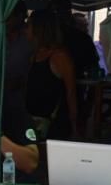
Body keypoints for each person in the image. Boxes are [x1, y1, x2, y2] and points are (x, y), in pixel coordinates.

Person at [26, 8, 79, 140]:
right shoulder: (35, 55)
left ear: (39, 28)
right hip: (34, 121)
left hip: (53, 124)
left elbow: (71, 92)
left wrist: (75, 128)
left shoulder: (60, 56)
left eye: (29, 25)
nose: (26, 29)